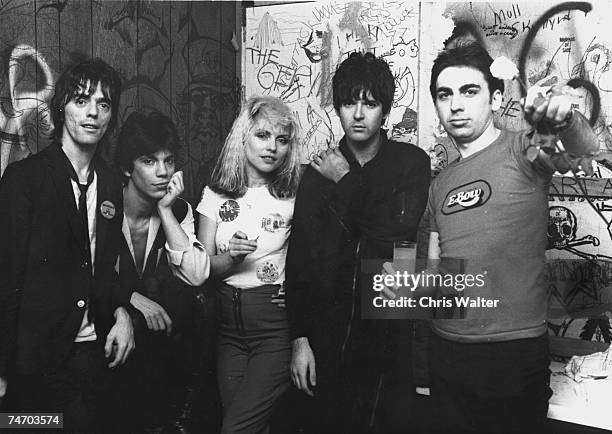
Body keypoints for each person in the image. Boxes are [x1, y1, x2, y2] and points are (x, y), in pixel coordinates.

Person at [416, 42, 598, 433]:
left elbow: (582, 151)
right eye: (445, 95)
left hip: (512, 356)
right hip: (447, 353)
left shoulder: (522, 149)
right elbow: (427, 270)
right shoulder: (441, 183)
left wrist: (563, 117)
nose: (456, 105)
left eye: (469, 91)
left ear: (496, 98)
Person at [286, 52, 431, 433]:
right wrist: (299, 340)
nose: (359, 114)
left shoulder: (410, 163)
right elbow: (299, 260)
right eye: (350, 102)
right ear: (338, 108)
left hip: (386, 338)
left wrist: (346, 179)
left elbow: (392, 233)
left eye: (370, 103)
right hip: (327, 337)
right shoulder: (318, 176)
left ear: (385, 110)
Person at [0, 58, 135, 431]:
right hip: (35, 360)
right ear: (62, 107)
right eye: (81, 100)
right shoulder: (25, 178)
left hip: (92, 353)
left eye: (104, 104)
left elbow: (105, 265)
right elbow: (6, 277)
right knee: (25, 427)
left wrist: (122, 312)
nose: (92, 113)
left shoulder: (109, 183)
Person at [196, 96, 301, 433]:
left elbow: (314, 260)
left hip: (273, 331)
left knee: (236, 429)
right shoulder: (215, 195)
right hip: (228, 332)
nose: (272, 147)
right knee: (250, 427)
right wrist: (232, 256)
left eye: (281, 140)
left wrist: (298, 298)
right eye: (262, 135)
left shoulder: (295, 197)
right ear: (243, 137)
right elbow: (202, 269)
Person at [110, 111, 210, 431]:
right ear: (128, 167)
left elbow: (196, 275)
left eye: (168, 161)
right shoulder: (103, 205)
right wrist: (131, 299)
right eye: (150, 162)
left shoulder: (178, 210)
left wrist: (166, 212)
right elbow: (77, 273)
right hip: (105, 329)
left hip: (155, 348)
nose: (163, 172)